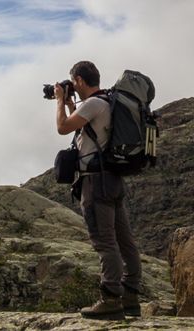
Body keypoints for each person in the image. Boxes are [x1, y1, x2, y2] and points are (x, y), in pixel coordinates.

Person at [54, 61, 142, 320]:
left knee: (105, 243)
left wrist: (60, 100)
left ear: (79, 80)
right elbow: (89, 129)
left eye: (73, 82)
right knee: (125, 241)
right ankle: (131, 297)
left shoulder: (93, 104)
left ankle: (110, 300)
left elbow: (62, 128)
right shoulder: (108, 102)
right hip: (113, 180)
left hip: (96, 183)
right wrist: (72, 105)